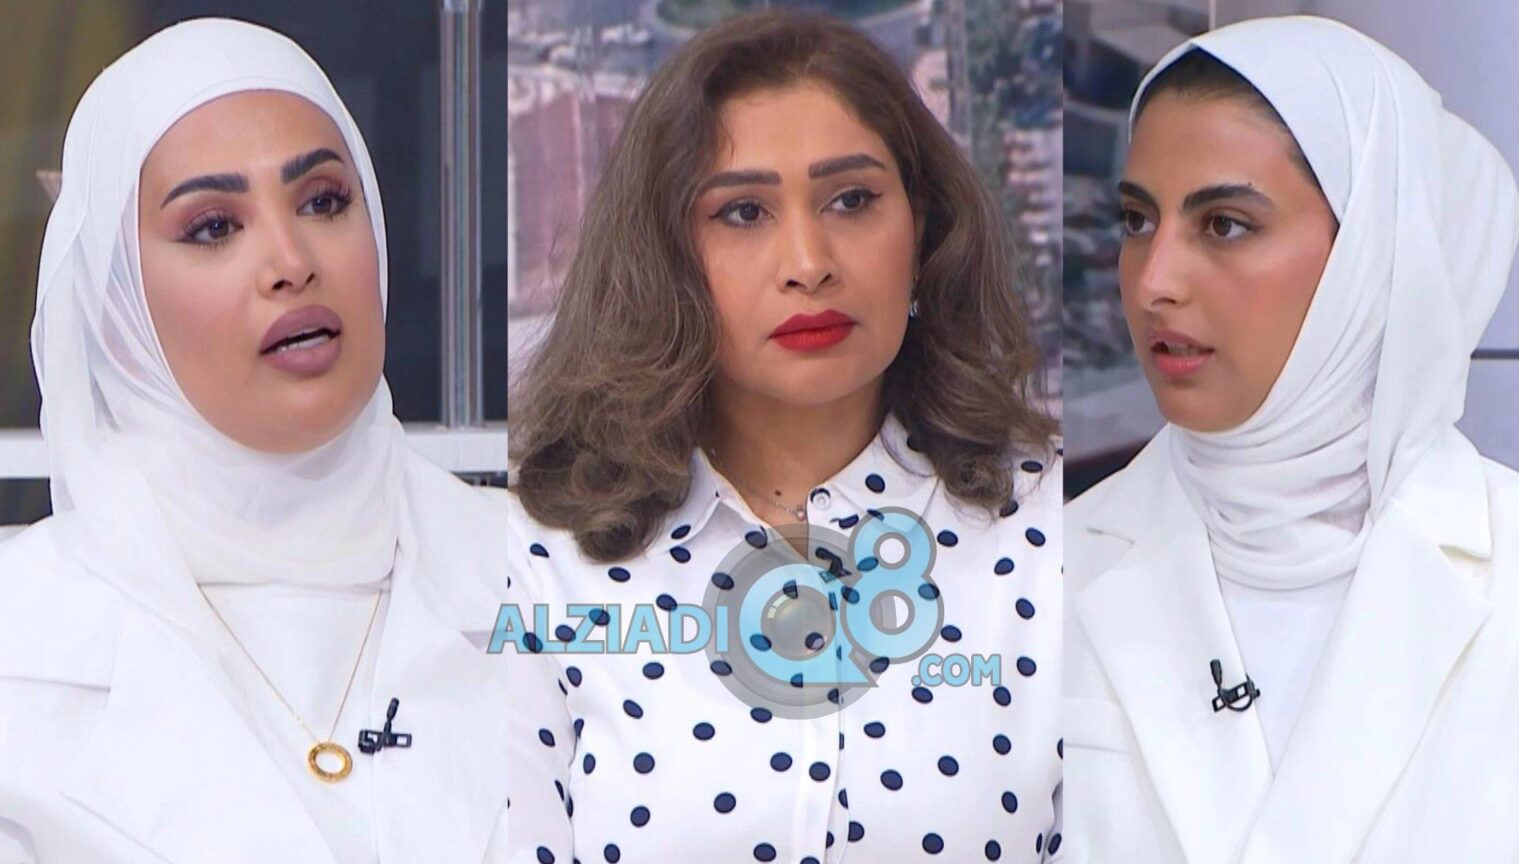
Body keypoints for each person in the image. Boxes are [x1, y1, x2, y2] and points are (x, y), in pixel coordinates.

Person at [505, 10, 1062, 864]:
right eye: (743, 212)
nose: (808, 262)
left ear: (923, 229)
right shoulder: (543, 557)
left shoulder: (1050, 536)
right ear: (665, 256)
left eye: (852, 200)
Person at [0, 19, 507, 863]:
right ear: (118, 310)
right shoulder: (19, 640)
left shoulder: (550, 580)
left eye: (323, 202)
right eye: (212, 227)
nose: (291, 260)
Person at [1065, 15, 1519, 862]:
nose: (1154, 282)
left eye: (1224, 224)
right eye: (1137, 220)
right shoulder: (1049, 570)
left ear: (1373, 253)